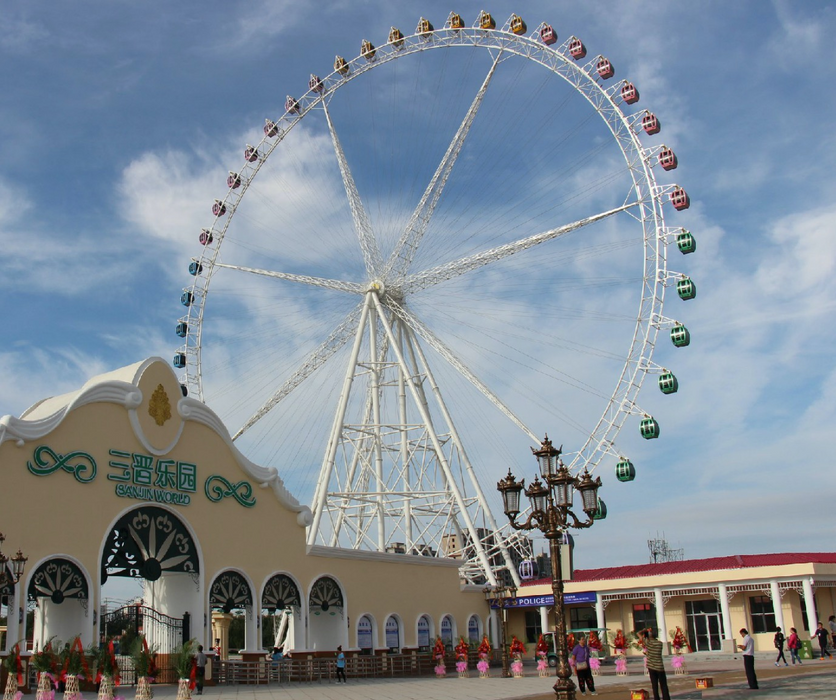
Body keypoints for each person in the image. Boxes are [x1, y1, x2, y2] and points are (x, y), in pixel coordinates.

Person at [643, 628, 670, 700]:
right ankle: (666, 698)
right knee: (663, 684)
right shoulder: (660, 643)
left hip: (651, 666)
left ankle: (656, 698)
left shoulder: (648, 642)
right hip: (659, 666)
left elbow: (639, 634)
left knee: (654, 685)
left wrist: (645, 631)